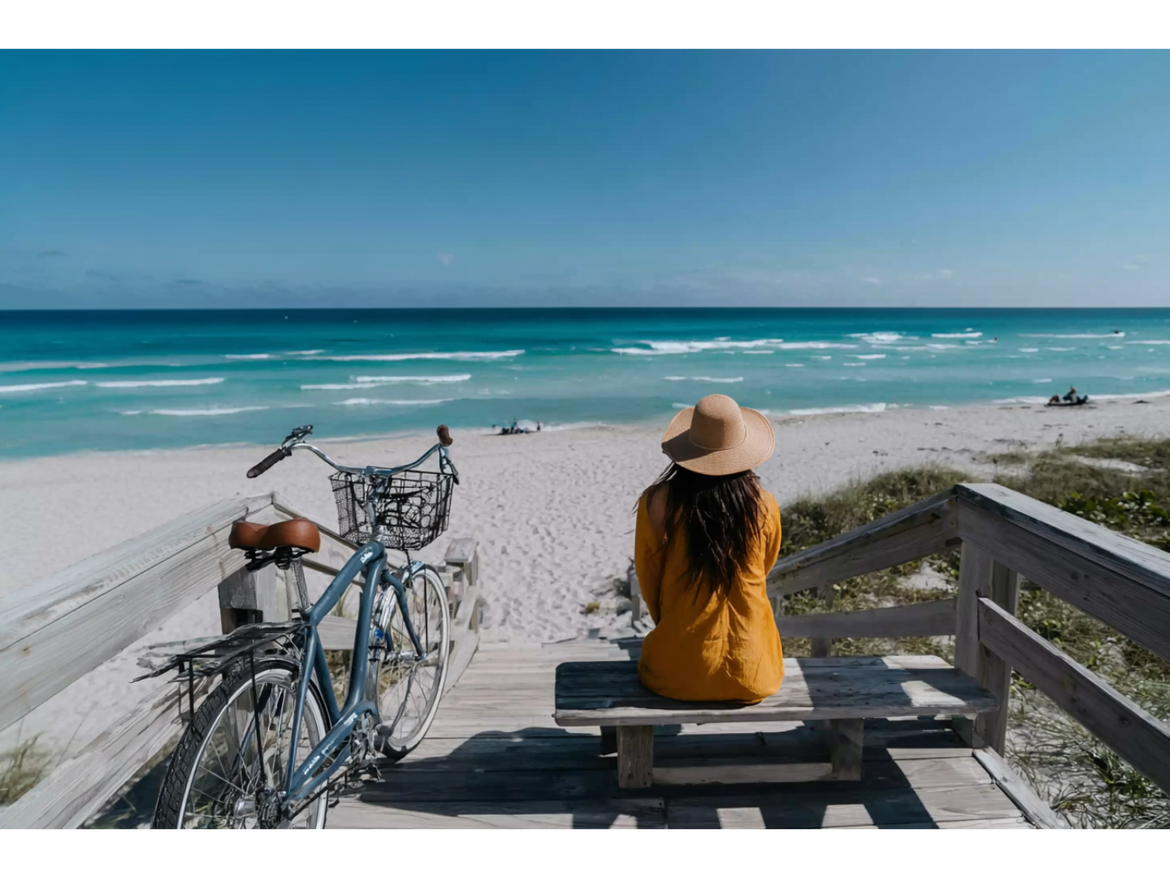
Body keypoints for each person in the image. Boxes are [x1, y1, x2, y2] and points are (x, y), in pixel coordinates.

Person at [633, 394, 784, 703]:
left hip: (675, 675)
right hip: (755, 674)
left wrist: (672, 623)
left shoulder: (657, 501)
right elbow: (764, 568)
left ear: (689, 447)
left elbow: (648, 576)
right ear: (742, 448)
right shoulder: (764, 503)